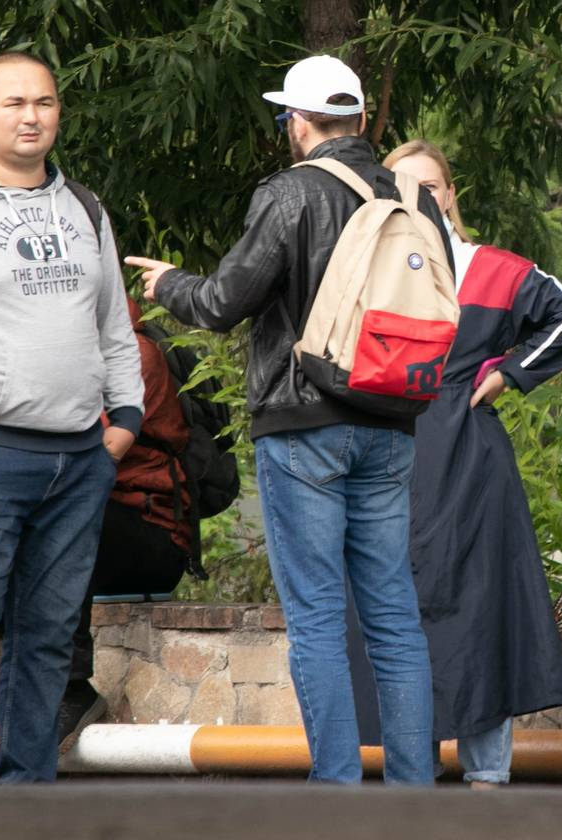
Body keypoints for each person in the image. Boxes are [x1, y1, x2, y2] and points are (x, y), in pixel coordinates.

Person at [126, 54, 452, 786]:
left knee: (316, 620)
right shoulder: (416, 199)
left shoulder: (292, 193)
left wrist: (169, 283)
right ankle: (415, 795)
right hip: (392, 417)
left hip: (304, 423)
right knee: (394, 616)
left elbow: (222, 303)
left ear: (297, 124)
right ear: (364, 121)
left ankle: (336, 794)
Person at [0, 51, 143, 782]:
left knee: (47, 636)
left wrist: (127, 420)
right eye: (13, 103)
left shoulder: (85, 207)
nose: (31, 116)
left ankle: (25, 791)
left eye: (44, 103)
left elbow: (114, 322)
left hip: (80, 457)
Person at [344, 140, 562, 787]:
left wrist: (513, 373)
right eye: (403, 186)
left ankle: (489, 782)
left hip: (469, 457)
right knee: (396, 610)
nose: (419, 198)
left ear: (450, 195)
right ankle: (413, 777)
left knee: (481, 611)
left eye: (430, 186)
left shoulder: (491, 270)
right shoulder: (365, 271)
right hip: (388, 453)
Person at [58, 296, 196, 749]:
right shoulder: (71, 348)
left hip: (152, 535)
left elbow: (80, 454)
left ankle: (72, 686)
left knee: (65, 519)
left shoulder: (133, 355)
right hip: (107, 523)